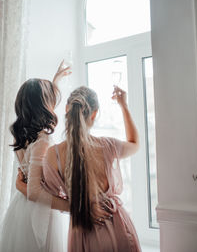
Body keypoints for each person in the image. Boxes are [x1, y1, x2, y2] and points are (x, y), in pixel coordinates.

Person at [38, 85, 141, 252]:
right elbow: (135, 144)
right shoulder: (107, 146)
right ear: (94, 114)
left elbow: (47, 197)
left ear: (67, 109)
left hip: (84, 230)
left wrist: (81, 207)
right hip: (119, 227)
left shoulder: (53, 155)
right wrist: (124, 105)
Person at [0, 62, 71, 252]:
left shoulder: (19, 133)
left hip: (21, 206)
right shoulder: (43, 141)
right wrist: (73, 207)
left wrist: (56, 81)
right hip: (39, 209)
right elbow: (35, 191)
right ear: (43, 106)